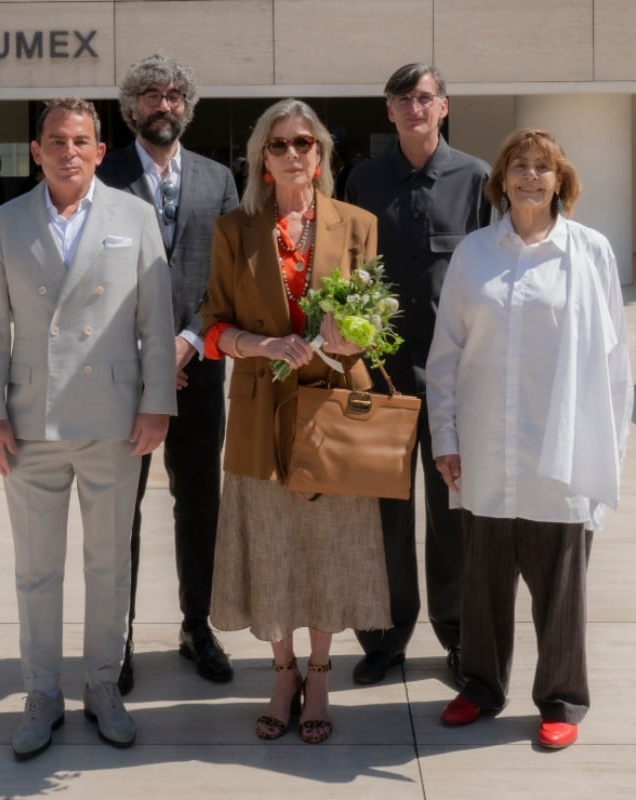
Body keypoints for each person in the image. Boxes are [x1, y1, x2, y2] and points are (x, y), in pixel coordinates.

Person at [0, 97, 177, 759]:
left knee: (109, 565)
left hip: (114, 422)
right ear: (37, 150)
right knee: (36, 571)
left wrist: (156, 405)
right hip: (30, 424)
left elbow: (154, 321)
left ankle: (102, 686)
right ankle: (40, 693)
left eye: (80, 140)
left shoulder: (135, 216)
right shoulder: (5, 223)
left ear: (98, 150)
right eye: (55, 140)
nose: (68, 151)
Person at [426, 128, 633, 750]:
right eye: (519, 166)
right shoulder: (474, 254)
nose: (530, 177)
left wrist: (608, 454)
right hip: (489, 446)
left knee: (561, 586)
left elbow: (615, 360)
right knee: (483, 585)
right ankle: (481, 685)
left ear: (561, 179)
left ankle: (562, 698)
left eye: (543, 167)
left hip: (559, 452)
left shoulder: (590, 252)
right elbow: (446, 355)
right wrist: (445, 436)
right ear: (502, 180)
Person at [200, 98, 391, 744]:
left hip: (334, 415)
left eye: (303, 143)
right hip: (262, 414)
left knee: (328, 551)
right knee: (274, 548)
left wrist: (352, 340)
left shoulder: (358, 224)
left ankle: (319, 673)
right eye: (278, 145)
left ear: (321, 154)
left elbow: (380, 325)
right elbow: (212, 328)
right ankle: (282, 673)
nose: (291, 155)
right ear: (260, 158)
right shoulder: (234, 230)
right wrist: (260, 345)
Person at [343, 63, 491, 686]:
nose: (413, 108)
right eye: (402, 99)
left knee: (454, 512)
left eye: (423, 98)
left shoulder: (477, 178)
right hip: (382, 380)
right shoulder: (363, 179)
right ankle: (384, 639)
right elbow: (347, 274)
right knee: (385, 514)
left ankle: (458, 636)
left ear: (444, 107)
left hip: (455, 382)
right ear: (389, 111)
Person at [98, 53, 240, 692]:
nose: (165, 105)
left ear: (188, 105)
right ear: (132, 109)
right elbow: (91, 283)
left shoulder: (218, 180)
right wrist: (147, 354)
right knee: (119, 508)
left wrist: (186, 341)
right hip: (122, 374)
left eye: (176, 94)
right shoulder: (103, 177)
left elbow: (228, 277)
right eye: (152, 95)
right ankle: (116, 638)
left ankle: (196, 625)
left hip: (200, 365)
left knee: (199, 503)